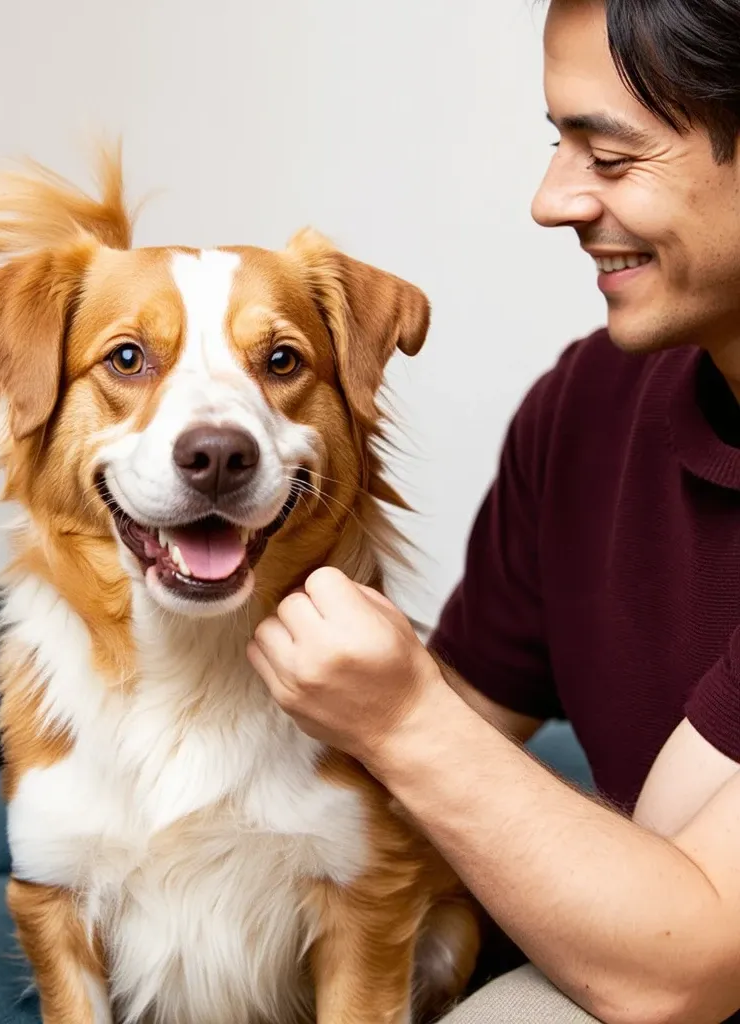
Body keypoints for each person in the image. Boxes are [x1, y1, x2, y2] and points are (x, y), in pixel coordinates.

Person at [247, 1, 740, 1022]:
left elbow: (682, 964)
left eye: (608, 157)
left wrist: (400, 716)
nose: (551, 199)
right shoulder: (587, 407)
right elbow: (459, 723)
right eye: (556, 144)